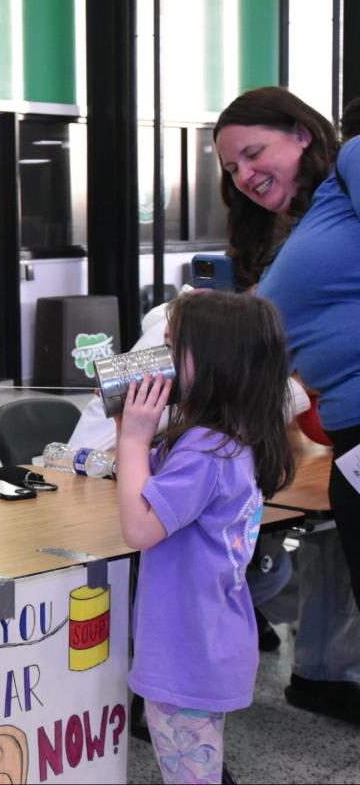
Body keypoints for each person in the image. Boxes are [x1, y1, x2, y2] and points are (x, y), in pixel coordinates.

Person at [215, 86, 360, 723]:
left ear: (302, 133)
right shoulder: (302, 226)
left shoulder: (353, 161)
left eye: (253, 152)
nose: (244, 175)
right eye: (231, 168)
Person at [116, 290, 295, 785]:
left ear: (218, 361)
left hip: (185, 649)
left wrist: (133, 438)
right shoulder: (229, 435)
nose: (160, 359)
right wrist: (127, 427)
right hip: (210, 637)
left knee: (190, 773)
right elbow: (150, 488)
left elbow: (138, 526)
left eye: (174, 346)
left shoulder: (205, 450)